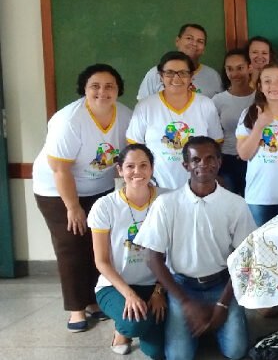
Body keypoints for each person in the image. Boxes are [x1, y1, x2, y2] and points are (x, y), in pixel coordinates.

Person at [135, 137, 257, 360]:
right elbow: (152, 257)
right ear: (186, 165)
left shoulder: (235, 204)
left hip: (222, 284)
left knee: (236, 351)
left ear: (219, 162)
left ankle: (211, 324)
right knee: (178, 357)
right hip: (183, 286)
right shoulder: (166, 204)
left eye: (211, 158)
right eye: (196, 159)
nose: (204, 164)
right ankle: (201, 326)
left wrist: (222, 304)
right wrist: (185, 302)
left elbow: (245, 258)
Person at [32, 64, 132, 332]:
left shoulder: (124, 116)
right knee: (71, 245)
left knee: (98, 245)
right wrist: (73, 207)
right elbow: (59, 169)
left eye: (109, 86)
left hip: (98, 187)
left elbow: (128, 157)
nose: (103, 92)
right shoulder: (69, 120)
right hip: (57, 190)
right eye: (95, 86)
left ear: (118, 89)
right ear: (84, 90)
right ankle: (77, 309)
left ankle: (95, 300)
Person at [89, 144, 166, 358]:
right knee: (134, 325)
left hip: (154, 284)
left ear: (152, 168)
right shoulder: (104, 206)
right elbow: (102, 261)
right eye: (130, 166)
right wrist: (130, 295)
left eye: (144, 165)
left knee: (157, 352)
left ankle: (144, 322)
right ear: (119, 170)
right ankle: (122, 329)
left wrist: (159, 291)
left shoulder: (167, 200)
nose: (137, 172)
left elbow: (173, 253)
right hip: (115, 286)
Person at [127, 52, 224, 190]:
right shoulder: (145, 106)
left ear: (191, 76)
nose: (176, 78)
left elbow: (216, 144)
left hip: (198, 187)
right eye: (170, 73)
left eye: (183, 73)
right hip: (157, 187)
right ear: (161, 76)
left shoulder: (206, 104)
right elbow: (134, 147)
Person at [236, 63, 278, 225]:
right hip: (258, 196)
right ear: (259, 86)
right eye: (267, 81)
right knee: (258, 245)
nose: (274, 86)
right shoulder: (250, 114)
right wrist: (259, 125)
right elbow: (244, 154)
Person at [137, 24, 223, 100]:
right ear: (177, 41)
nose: (194, 44)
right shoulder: (156, 73)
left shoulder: (213, 76)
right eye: (189, 38)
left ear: (204, 48)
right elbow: (143, 108)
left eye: (200, 41)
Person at [212, 49, 255, 196]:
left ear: (250, 67)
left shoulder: (260, 98)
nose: (235, 74)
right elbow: (211, 134)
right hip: (226, 160)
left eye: (240, 68)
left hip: (254, 159)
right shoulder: (218, 100)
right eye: (229, 69)